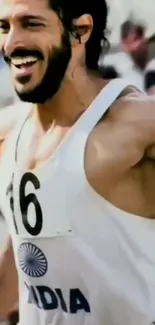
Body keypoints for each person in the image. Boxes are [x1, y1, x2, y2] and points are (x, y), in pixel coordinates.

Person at [1, 0, 155, 324]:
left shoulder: (138, 125)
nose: (11, 43)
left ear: (80, 31)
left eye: (31, 24)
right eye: (4, 27)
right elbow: (26, 245)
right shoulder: (9, 133)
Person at [99, 20, 148, 90]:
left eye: (142, 37)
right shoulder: (116, 63)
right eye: (136, 39)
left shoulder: (142, 70)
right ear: (124, 44)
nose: (142, 42)